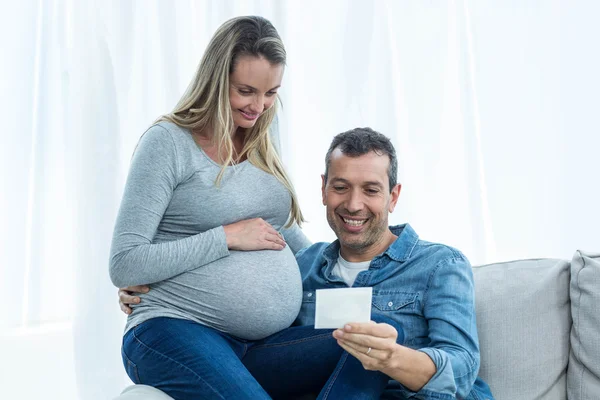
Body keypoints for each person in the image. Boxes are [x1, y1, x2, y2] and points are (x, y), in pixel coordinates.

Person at [110, 16, 395, 400]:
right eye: (245, 91)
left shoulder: (262, 129)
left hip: (256, 346)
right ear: (215, 80)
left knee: (373, 341)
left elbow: (275, 227)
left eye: (270, 93)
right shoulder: (167, 144)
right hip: (172, 327)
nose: (258, 106)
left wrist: (335, 265)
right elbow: (125, 263)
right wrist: (226, 237)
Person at [121, 127, 495, 399]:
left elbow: (461, 370)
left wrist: (392, 359)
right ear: (322, 189)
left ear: (394, 196)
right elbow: (242, 316)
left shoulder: (438, 265)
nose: (353, 204)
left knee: (372, 335)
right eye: (341, 187)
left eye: (371, 190)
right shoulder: (302, 266)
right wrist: (153, 288)